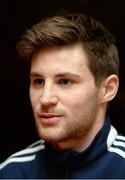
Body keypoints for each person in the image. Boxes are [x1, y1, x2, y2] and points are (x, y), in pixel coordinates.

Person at [0, 11, 125, 179]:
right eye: (38, 81)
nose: (45, 98)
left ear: (107, 90)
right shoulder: (11, 172)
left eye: (65, 81)